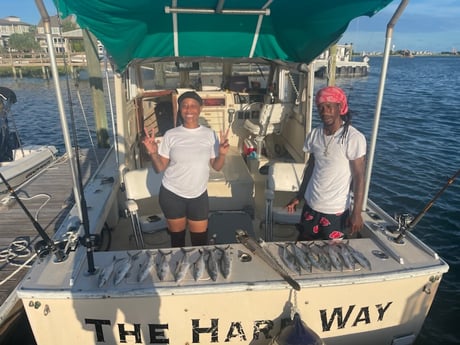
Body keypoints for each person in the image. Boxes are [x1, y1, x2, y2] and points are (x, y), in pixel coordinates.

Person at [142, 91, 230, 247]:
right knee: (177, 241)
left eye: (193, 106)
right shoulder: (171, 135)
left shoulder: (210, 134)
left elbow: (216, 167)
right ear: (180, 109)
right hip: (172, 195)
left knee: (200, 242)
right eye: (184, 106)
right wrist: (154, 153)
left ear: (200, 108)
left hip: (198, 196)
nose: (189, 110)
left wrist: (222, 154)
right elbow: (159, 168)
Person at [286, 86, 366, 240]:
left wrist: (357, 213)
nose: (325, 111)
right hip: (311, 205)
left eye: (329, 106)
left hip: (335, 211)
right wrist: (299, 196)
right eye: (321, 107)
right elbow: (310, 168)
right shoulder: (314, 135)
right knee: (304, 249)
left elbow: (359, 177)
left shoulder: (354, 138)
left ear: (340, 107)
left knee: (333, 256)